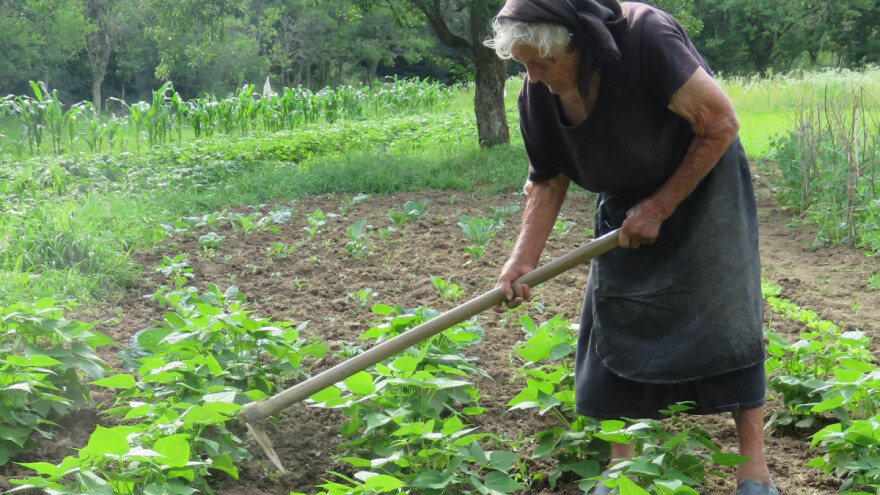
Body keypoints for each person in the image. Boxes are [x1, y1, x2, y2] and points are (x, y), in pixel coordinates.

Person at [485, 1, 775, 494]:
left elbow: (721, 122)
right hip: (626, 203)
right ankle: (622, 474)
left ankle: (754, 471)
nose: (531, 77)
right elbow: (549, 180)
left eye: (541, 63)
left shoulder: (646, 38)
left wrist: (661, 206)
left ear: (573, 46)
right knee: (615, 316)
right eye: (523, 65)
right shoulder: (536, 96)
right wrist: (522, 260)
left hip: (705, 179)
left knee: (728, 317)